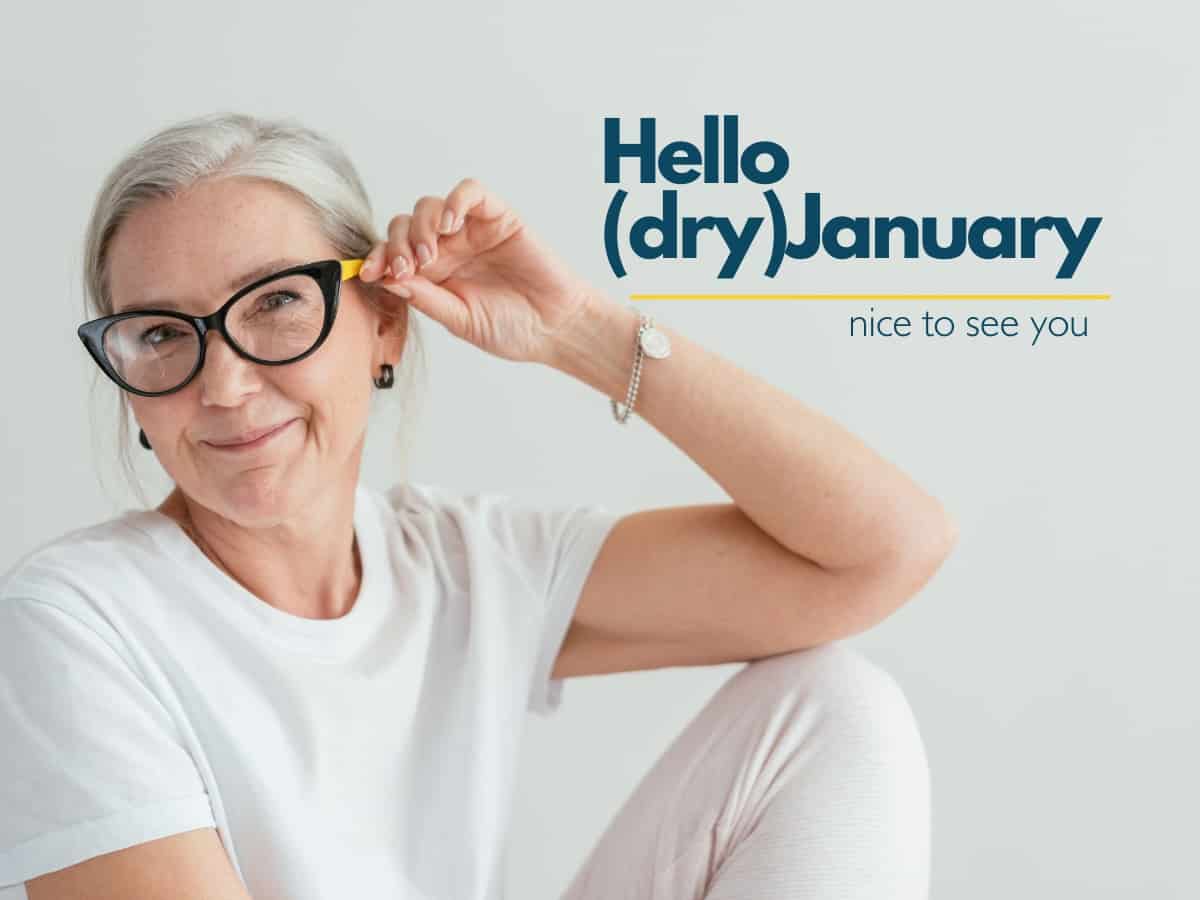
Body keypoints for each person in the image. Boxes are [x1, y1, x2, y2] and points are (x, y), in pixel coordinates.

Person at [0, 112, 956, 900]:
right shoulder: (74, 625)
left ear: (385, 325)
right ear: (127, 382)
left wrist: (581, 330)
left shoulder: (463, 565)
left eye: (277, 304)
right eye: (163, 334)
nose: (226, 382)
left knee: (836, 706)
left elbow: (881, 553)